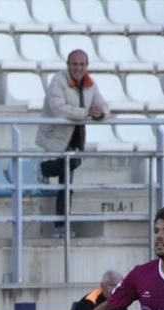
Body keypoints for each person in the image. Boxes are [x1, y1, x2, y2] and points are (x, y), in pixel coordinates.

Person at [36, 49, 109, 231]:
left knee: (69, 173)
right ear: (68, 65)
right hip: (57, 136)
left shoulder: (90, 83)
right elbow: (58, 109)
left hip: (76, 139)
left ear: (87, 66)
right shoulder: (58, 81)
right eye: (75, 64)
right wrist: (86, 113)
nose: (78, 68)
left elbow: (103, 105)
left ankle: (43, 170)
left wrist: (100, 113)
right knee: (67, 176)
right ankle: (61, 224)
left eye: (82, 64)